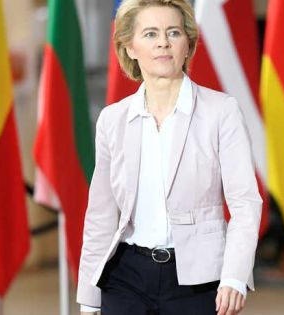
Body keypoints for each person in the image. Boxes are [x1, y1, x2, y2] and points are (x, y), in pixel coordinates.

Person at [76, 1, 262, 314]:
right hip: (125, 277)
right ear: (130, 48)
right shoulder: (113, 119)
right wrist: (89, 297)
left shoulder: (221, 111)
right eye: (150, 34)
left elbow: (245, 202)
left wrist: (234, 276)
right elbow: (101, 213)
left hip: (199, 279)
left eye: (173, 32)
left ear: (187, 44)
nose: (163, 42)